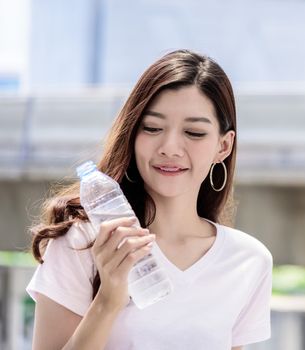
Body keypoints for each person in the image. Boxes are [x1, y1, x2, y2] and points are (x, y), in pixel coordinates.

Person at [26, 49, 273, 350]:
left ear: (223, 146)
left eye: (194, 133)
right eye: (152, 128)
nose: (170, 147)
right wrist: (108, 301)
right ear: (133, 134)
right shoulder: (83, 242)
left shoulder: (247, 260)